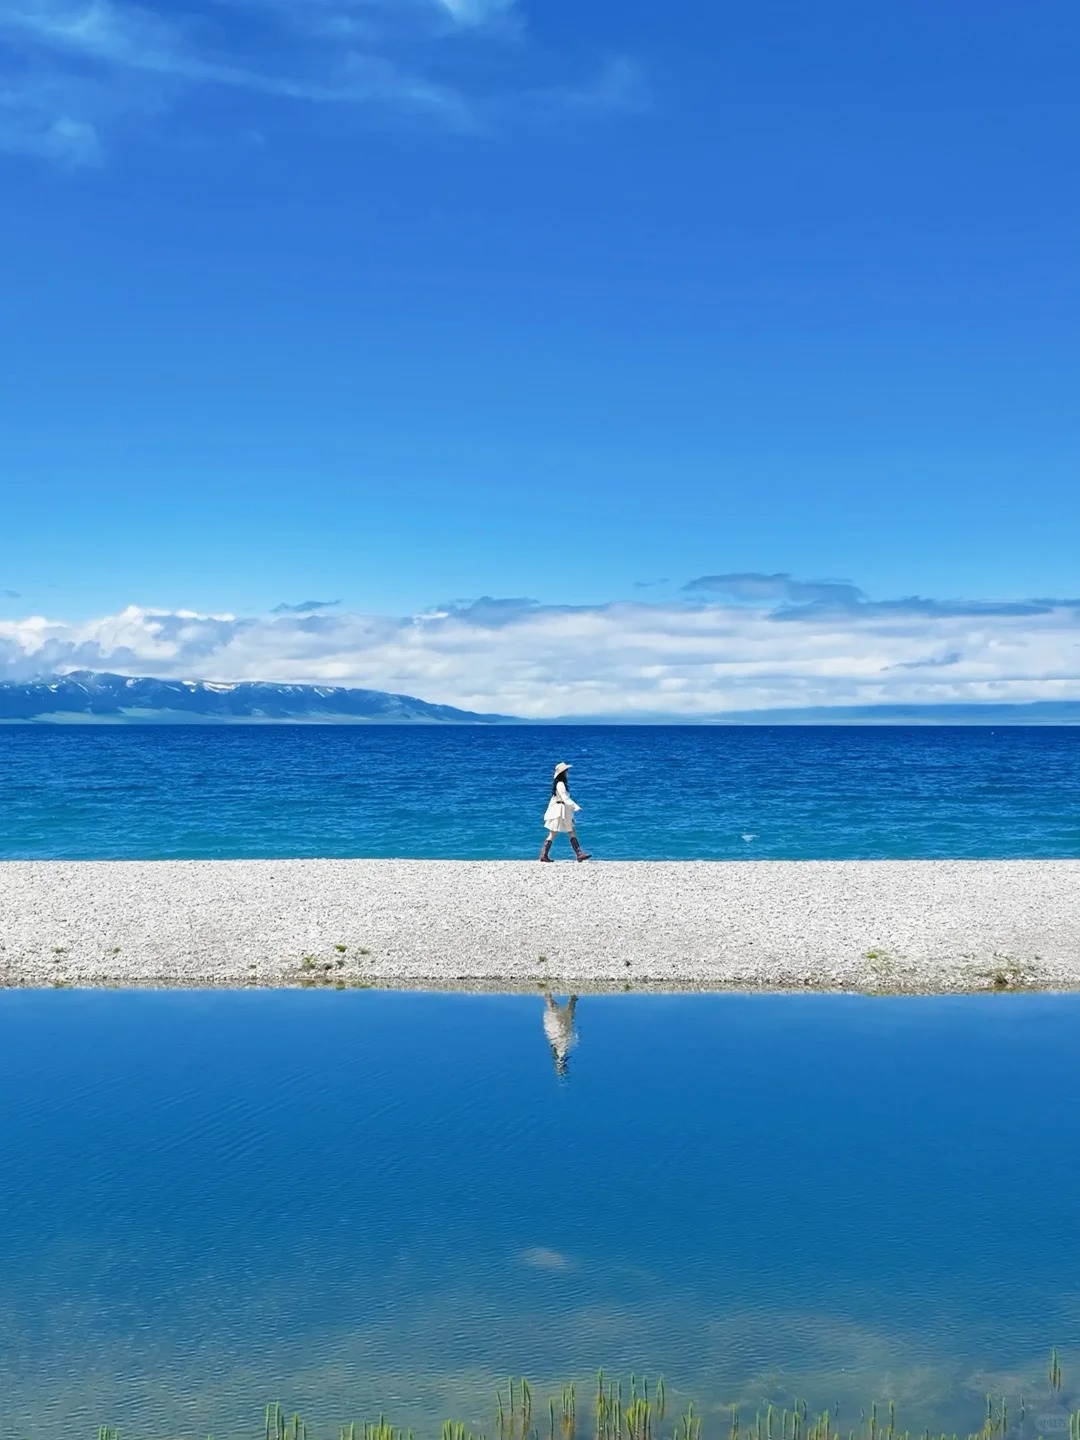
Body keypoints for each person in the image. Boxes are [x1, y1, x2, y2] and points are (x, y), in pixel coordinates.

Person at [540, 762, 592, 863]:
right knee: (554, 833)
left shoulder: (559, 784)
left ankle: (579, 854)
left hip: (562, 811)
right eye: (566, 771)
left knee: (570, 831)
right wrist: (575, 806)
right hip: (560, 812)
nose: (568, 773)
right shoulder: (560, 784)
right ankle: (544, 855)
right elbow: (565, 798)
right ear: (563, 773)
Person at [543, 993, 579, 1078]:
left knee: (563, 1016)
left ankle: (572, 997)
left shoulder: (560, 1050)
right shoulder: (561, 1050)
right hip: (558, 1033)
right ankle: (573, 997)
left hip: (557, 1033)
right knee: (566, 1018)